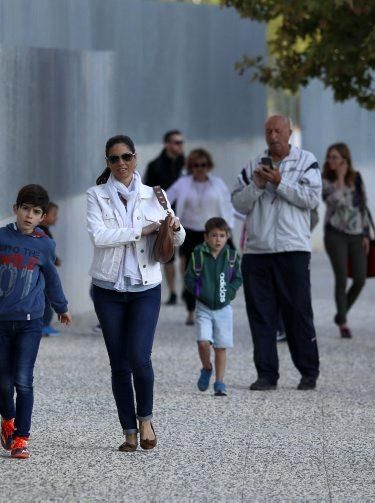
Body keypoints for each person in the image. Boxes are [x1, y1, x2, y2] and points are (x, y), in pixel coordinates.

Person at [87, 135, 186, 452]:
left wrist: (174, 227)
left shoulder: (154, 195)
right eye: (114, 159)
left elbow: (178, 238)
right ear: (108, 163)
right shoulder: (96, 196)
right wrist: (141, 231)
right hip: (108, 291)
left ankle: (145, 419)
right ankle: (128, 431)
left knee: (140, 357)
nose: (121, 164)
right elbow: (99, 237)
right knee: (119, 363)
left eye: (126, 157)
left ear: (135, 158)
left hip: (146, 288)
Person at [0, 184, 72, 460]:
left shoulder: (44, 244)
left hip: (30, 323)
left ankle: (21, 437)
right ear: (15, 209)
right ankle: (7, 419)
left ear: (42, 217)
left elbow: (52, 279)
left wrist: (61, 307)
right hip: (2, 321)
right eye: (25, 209)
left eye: (36, 212)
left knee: (23, 381)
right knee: (4, 382)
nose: (29, 215)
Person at [231, 115, 322, 391]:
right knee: (260, 315)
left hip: (292, 250)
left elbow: (311, 198)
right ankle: (266, 374)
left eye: (278, 130)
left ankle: (308, 371)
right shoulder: (252, 166)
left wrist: (281, 181)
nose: (273, 135)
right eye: (268, 131)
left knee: (298, 312)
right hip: (257, 251)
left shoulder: (307, 162)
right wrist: (257, 186)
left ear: (289, 133)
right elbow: (237, 203)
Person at [167, 148, 235, 325]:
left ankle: (214, 307)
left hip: (212, 233)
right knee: (191, 273)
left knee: (214, 272)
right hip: (189, 233)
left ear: (208, 165)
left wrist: (228, 229)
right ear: (191, 166)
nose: (199, 168)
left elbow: (227, 206)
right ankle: (191, 310)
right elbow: (165, 199)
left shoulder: (218, 184)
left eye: (203, 165)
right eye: (196, 165)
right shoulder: (183, 183)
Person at [183, 217, 242, 397]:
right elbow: (189, 279)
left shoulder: (231, 257)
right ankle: (207, 367)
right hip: (204, 308)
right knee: (203, 342)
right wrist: (201, 293)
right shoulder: (198, 255)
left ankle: (219, 382)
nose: (218, 239)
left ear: (227, 237)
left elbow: (237, 278)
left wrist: (229, 292)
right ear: (206, 237)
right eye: (214, 235)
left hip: (224, 308)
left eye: (222, 236)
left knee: (220, 347)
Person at [321, 143, 370, 338]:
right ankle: (344, 323)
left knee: (360, 279)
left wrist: (365, 234)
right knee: (341, 278)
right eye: (329, 157)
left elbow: (363, 205)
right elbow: (335, 202)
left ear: (345, 159)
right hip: (335, 233)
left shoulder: (357, 178)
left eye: (335, 157)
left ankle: (341, 313)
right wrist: (340, 178)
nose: (331, 161)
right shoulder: (325, 180)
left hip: (357, 233)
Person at [144, 130, 185, 305]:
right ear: (167, 144)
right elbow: (148, 190)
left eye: (181, 142)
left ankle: (187, 290)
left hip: (187, 214)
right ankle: (173, 292)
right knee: (170, 255)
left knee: (186, 255)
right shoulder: (155, 166)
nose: (180, 146)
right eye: (176, 142)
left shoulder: (186, 163)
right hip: (167, 215)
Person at [41, 202, 62, 336]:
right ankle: (43, 326)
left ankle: (44, 325)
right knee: (46, 299)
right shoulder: (41, 232)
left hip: (44, 272)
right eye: (54, 214)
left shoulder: (44, 231)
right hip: (43, 273)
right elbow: (44, 252)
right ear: (44, 216)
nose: (56, 218)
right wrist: (55, 260)